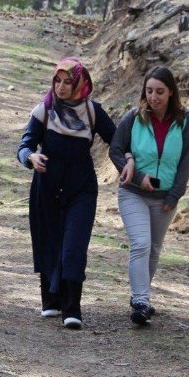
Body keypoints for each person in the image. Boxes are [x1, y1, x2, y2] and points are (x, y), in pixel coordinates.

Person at [17, 58, 115, 329]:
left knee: (74, 245)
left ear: (81, 83)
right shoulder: (44, 111)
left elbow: (116, 140)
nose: (60, 87)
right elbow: (24, 144)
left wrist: (128, 160)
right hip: (46, 188)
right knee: (49, 240)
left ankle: (72, 308)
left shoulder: (93, 112)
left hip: (81, 188)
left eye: (68, 81)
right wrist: (30, 157)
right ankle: (50, 299)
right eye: (57, 81)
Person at [109, 66, 189, 327]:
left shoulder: (183, 121)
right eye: (149, 91)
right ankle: (141, 300)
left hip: (165, 197)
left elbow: (184, 161)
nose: (154, 97)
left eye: (160, 92)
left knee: (154, 249)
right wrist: (136, 176)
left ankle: (142, 296)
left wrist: (176, 194)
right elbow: (115, 150)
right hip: (133, 193)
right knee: (141, 244)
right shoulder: (133, 118)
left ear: (171, 93)